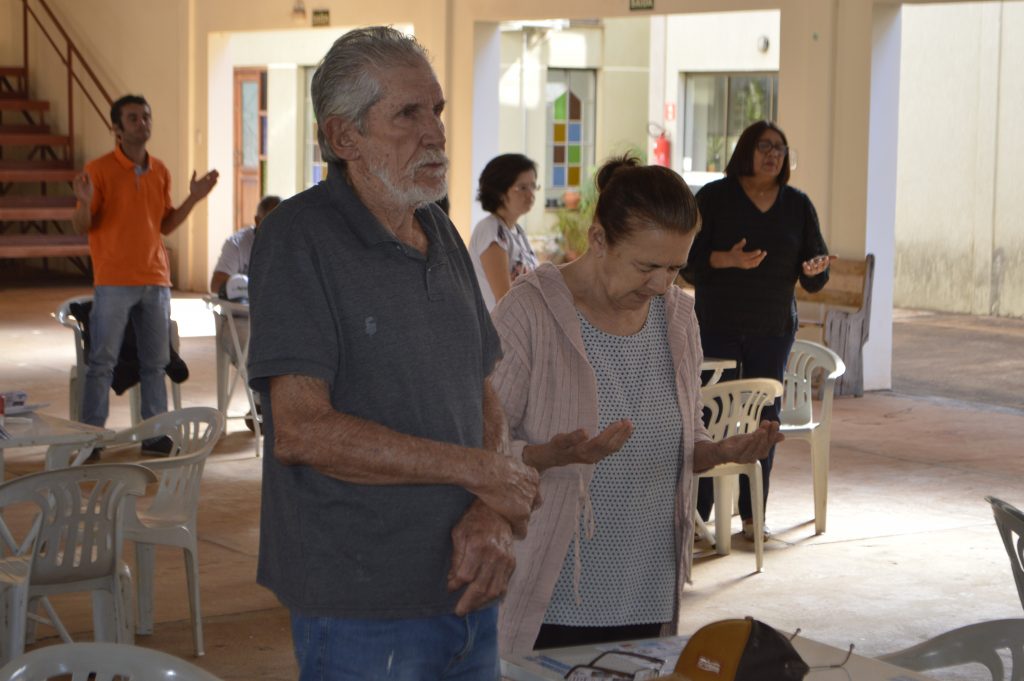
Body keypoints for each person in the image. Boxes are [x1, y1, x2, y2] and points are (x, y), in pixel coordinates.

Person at [245, 26, 541, 681]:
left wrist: (489, 507)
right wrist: (483, 472)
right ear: (345, 137)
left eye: (435, 109)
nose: (435, 130)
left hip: (470, 581)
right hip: (362, 606)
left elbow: (480, 388)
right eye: (408, 113)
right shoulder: (299, 239)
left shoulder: (437, 225)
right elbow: (302, 428)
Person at [491, 155, 784, 655]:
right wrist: (549, 455)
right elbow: (481, 448)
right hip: (552, 588)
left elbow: (686, 437)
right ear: (599, 238)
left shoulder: (677, 318)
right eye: (647, 266)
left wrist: (717, 451)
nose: (661, 285)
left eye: (674, 267)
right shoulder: (529, 311)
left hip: (648, 584)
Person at [681, 120, 834, 540]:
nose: (773, 154)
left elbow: (815, 274)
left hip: (772, 329)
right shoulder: (714, 197)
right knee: (712, 417)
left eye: (781, 149)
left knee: (764, 420)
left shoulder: (797, 205)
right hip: (718, 327)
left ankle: (753, 519)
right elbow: (686, 263)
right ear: (746, 149)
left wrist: (814, 269)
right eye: (765, 146)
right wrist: (724, 260)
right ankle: (699, 517)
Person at [71, 94, 218, 455]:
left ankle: (154, 435)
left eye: (146, 117)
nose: (142, 124)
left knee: (156, 363)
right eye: (133, 118)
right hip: (114, 281)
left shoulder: (160, 170)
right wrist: (84, 201)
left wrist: (194, 198)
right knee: (101, 363)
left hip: (155, 280)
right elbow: (81, 227)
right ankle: (92, 438)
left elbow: (165, 224)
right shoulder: (99, 169)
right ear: (116, 129)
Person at [209, 194, 280, 365]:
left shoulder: (291, 243)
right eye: (271, 220)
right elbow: (216, 283)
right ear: (257, 220)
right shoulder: (237, 244)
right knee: (259, 351)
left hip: (278, 319)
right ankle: (264, 390)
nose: (277, 227)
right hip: (240, 320)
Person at [469, 153, 540, 310]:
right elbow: (504, 298)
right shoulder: (490, 230)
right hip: (501, 330)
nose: (531, 195)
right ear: (500, 192)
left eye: (533, 186)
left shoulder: (517, 231)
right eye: (522, 188)